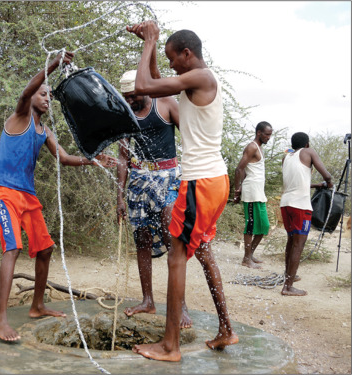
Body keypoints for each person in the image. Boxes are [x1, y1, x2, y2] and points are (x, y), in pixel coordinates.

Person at [126, 21, 239, 361]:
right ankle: (226, 330)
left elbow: (144, 84)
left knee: (177, 257)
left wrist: (150, 40)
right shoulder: (195, 81)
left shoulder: (202, 77)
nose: (171, 65)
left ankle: (170, 345)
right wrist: (152, 46)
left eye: (173, 59)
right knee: (201, 250)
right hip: (213, 180)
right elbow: (158, 85)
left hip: (199, 182)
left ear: (188, 54)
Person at [0, 51, 117, 342]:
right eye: (43, 94)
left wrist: (93, 160)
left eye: (49, 96)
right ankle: (0, 319)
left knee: (45, 249)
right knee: (12, 248)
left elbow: (65, 158)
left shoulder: (43, 130)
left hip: (27, 195)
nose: (47, 99)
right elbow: (25, 92)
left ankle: (37, 305)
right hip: (4, 191)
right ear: (33, 95)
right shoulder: (19, 116)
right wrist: (53, 65)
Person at [116, 69, 192, 328]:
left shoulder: (167, 104)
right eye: (126, 97)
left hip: (169, 176)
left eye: (133, 96)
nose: (130, 102)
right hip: (139, 180)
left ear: (144, 88)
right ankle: (148, 300)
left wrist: (192, 176)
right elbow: (123, 157)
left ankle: (180, 306)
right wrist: (119, 197)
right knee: (142, 240)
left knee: (174, 240)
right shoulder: (125, 114)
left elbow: (190, 138)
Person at [280, 132, 333, 296]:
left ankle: (289, 276)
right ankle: (288, 287)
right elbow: (327, 175)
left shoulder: (287, 157)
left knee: (291, 240)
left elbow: (297, 181)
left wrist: (317, 185)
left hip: (286, 203)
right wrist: (328, 183)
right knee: (299, 244)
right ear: (307, 144)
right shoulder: (309, 152)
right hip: (300, 205)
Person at [233, 121, 273, 269]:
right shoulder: (252, 147)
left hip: (258, 192)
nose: (269, 137)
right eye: (267, 134)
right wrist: (237, 190)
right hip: (251, 192)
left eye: (270, 135)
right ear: (259, 133)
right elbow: (239, 169)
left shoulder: (259, 148)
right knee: (250, 225)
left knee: (264, 226)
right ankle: (246, 259)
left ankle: (250, 255)